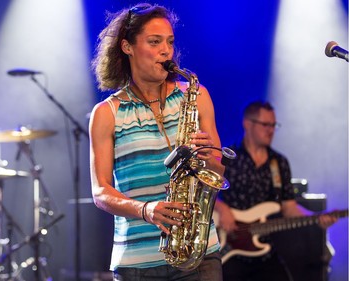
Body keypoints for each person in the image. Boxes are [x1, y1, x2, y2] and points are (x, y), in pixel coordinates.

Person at [89, 3, 225, 281]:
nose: (166, 50)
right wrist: (145, 209)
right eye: (154, 42)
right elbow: (100, 192)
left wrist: (208, 157)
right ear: (127, 47)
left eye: (170, 42)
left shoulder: (196, 96)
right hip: (137, 263)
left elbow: (218, 171)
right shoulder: (106, 113)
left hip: (199, 252)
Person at [215, 101, 337, 281]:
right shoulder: (228, 157)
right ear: (247, 124)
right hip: (230, 249)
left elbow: (289, 208)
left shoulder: (278, 162)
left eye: (273, 125)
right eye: (265, 124)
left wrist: (316, 220)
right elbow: (204, 195)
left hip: (265, 250)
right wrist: (221, 208)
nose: (271, 130)